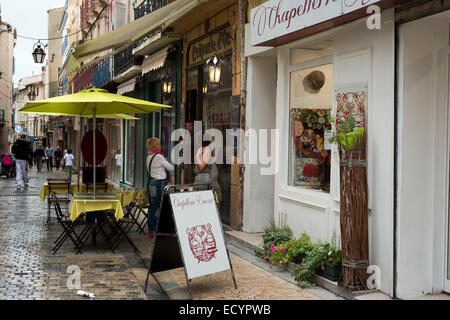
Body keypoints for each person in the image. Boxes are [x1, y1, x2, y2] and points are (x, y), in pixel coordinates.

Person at [146, 137, 174, 238]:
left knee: (152, 207)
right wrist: (165, 160)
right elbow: (171, 168)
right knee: (159, 206)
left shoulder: (149, 156)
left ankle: (151, 229)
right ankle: (158, 228)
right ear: (156, 146)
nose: (161, 146)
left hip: (151, 182)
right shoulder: (159, 157)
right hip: (159, 184)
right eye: (159, 144)